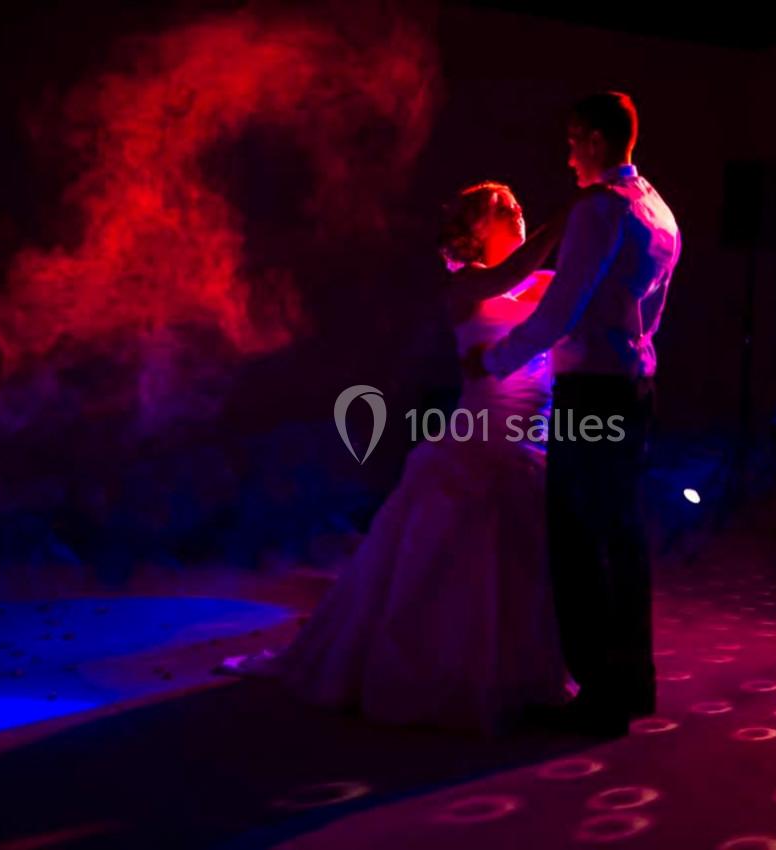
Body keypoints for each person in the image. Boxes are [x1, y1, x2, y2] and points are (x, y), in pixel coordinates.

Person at [223, 182, 583, 732]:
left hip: (531, 436)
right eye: (503, 208)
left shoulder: (537, 283)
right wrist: (567, 216)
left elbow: (575, 288)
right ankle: (437, 674)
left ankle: (518, 675)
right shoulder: (466, 284)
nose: (517, 211)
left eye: (517, 204)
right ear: (476, 228)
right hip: (480, 435)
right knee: (454, 557)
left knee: (520, 562)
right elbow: (509, 276)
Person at [467, 92, 681, 737]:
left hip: (591, 389)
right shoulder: (659, 208)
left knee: (579, 538)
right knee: (622, 535)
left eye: (570, 143)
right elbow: (648, 310)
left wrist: (494, 360)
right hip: (635, 384)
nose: (566, 158)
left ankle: (598, 694)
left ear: (592, 139)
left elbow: (562, 311)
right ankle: (632, 682)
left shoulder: (599, 209)